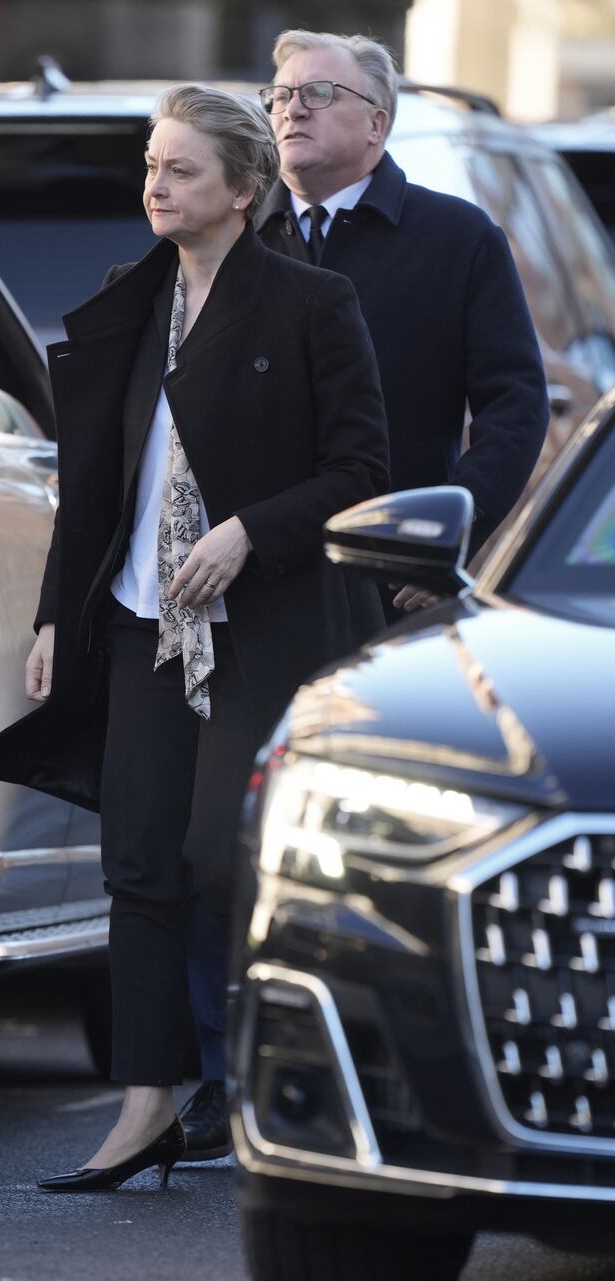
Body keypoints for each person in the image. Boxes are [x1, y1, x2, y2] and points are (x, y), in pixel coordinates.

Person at [0, 82, 389, 1191]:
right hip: (135, 621)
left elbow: (360, 472)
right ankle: (145, 1108)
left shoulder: (312, 304)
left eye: (181, 170)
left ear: (242, 190)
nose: (155, 185)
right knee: (139, 864)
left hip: (260, 626)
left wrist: (253, 531)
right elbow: (91, 484)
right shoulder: (126, 301)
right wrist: (62, 612)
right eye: (152, 167)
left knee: (223, 858)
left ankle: (280, 1090)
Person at [180, 29, 551, 1161]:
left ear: (375, 123)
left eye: (315, 96)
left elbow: (514, 410)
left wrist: (434, 555)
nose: (287, 112)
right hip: (249, 586)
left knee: (374, 836)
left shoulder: (453, 239)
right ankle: (220, 1078)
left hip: (394, 600)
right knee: (218, 837)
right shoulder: (242, 239)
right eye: (278, 95)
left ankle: (376, 1078)